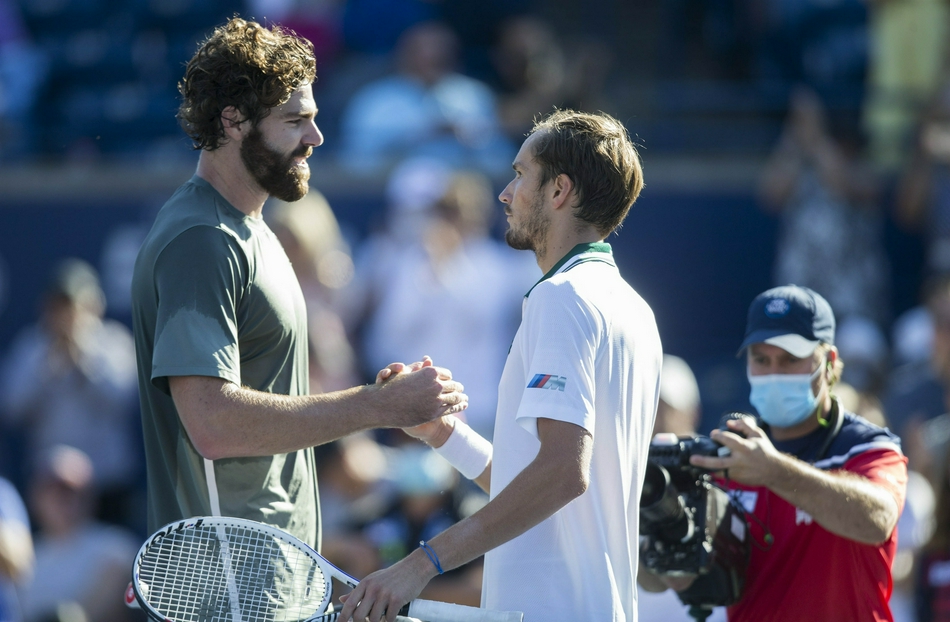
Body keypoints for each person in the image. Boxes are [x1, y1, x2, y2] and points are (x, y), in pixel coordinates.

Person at [130, 16, 468, 548]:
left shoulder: (251, 228)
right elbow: (213, 423)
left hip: (272, 567)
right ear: (234, 121)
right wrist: (379, 406)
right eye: (295, 121)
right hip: (232, 579)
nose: (316, 137)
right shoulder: (202, 239)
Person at [339, 109, 660, 622]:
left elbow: (561, 474)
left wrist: (419, 564)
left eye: (519, 175)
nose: (505, 194)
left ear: (559, 191)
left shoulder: (563, 298)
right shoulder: (631, 307)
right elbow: (551, 494)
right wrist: (444, 434)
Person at [642, 285, 908, 621]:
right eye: (761, 359)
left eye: (790, 359)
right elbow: (654, 582)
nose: (773, 373)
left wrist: (773, 471)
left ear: (829, 363)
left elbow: (878, 521)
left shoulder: (867, 446)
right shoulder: (729, 451)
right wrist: (659, 524)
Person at [0, 258, 140, 529]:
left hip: (107, 485)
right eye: (61, 306)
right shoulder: (31, 348)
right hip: (51, 488)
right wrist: (50, 365)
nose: (69, 315)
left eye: (76, 306)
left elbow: (122, 399)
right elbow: (12, 408)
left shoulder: (114, 342)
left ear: (95, 306)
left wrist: (82, 357)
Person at [18, 446, 139, 622]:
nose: (62, 499)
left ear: (89, 496)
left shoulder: (116, 546)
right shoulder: (23, 558)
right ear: (36, 497)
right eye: (52, 488)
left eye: (70, 490)